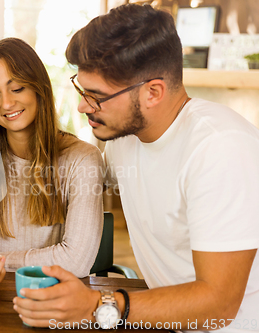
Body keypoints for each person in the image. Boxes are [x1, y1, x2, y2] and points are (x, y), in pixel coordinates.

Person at [13, 4, 259, 331]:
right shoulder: (124, 140)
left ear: (153, 92)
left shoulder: (220, 149)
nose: (83, 105)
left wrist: (98, 306)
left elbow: (220, 302)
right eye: (81, 88)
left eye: (96, 96)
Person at [0, 37, 103, 289]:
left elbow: (76, 260)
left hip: (52, 302)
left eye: (17, 88)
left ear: (38, 87)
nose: (7, 104)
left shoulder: (81, 159)